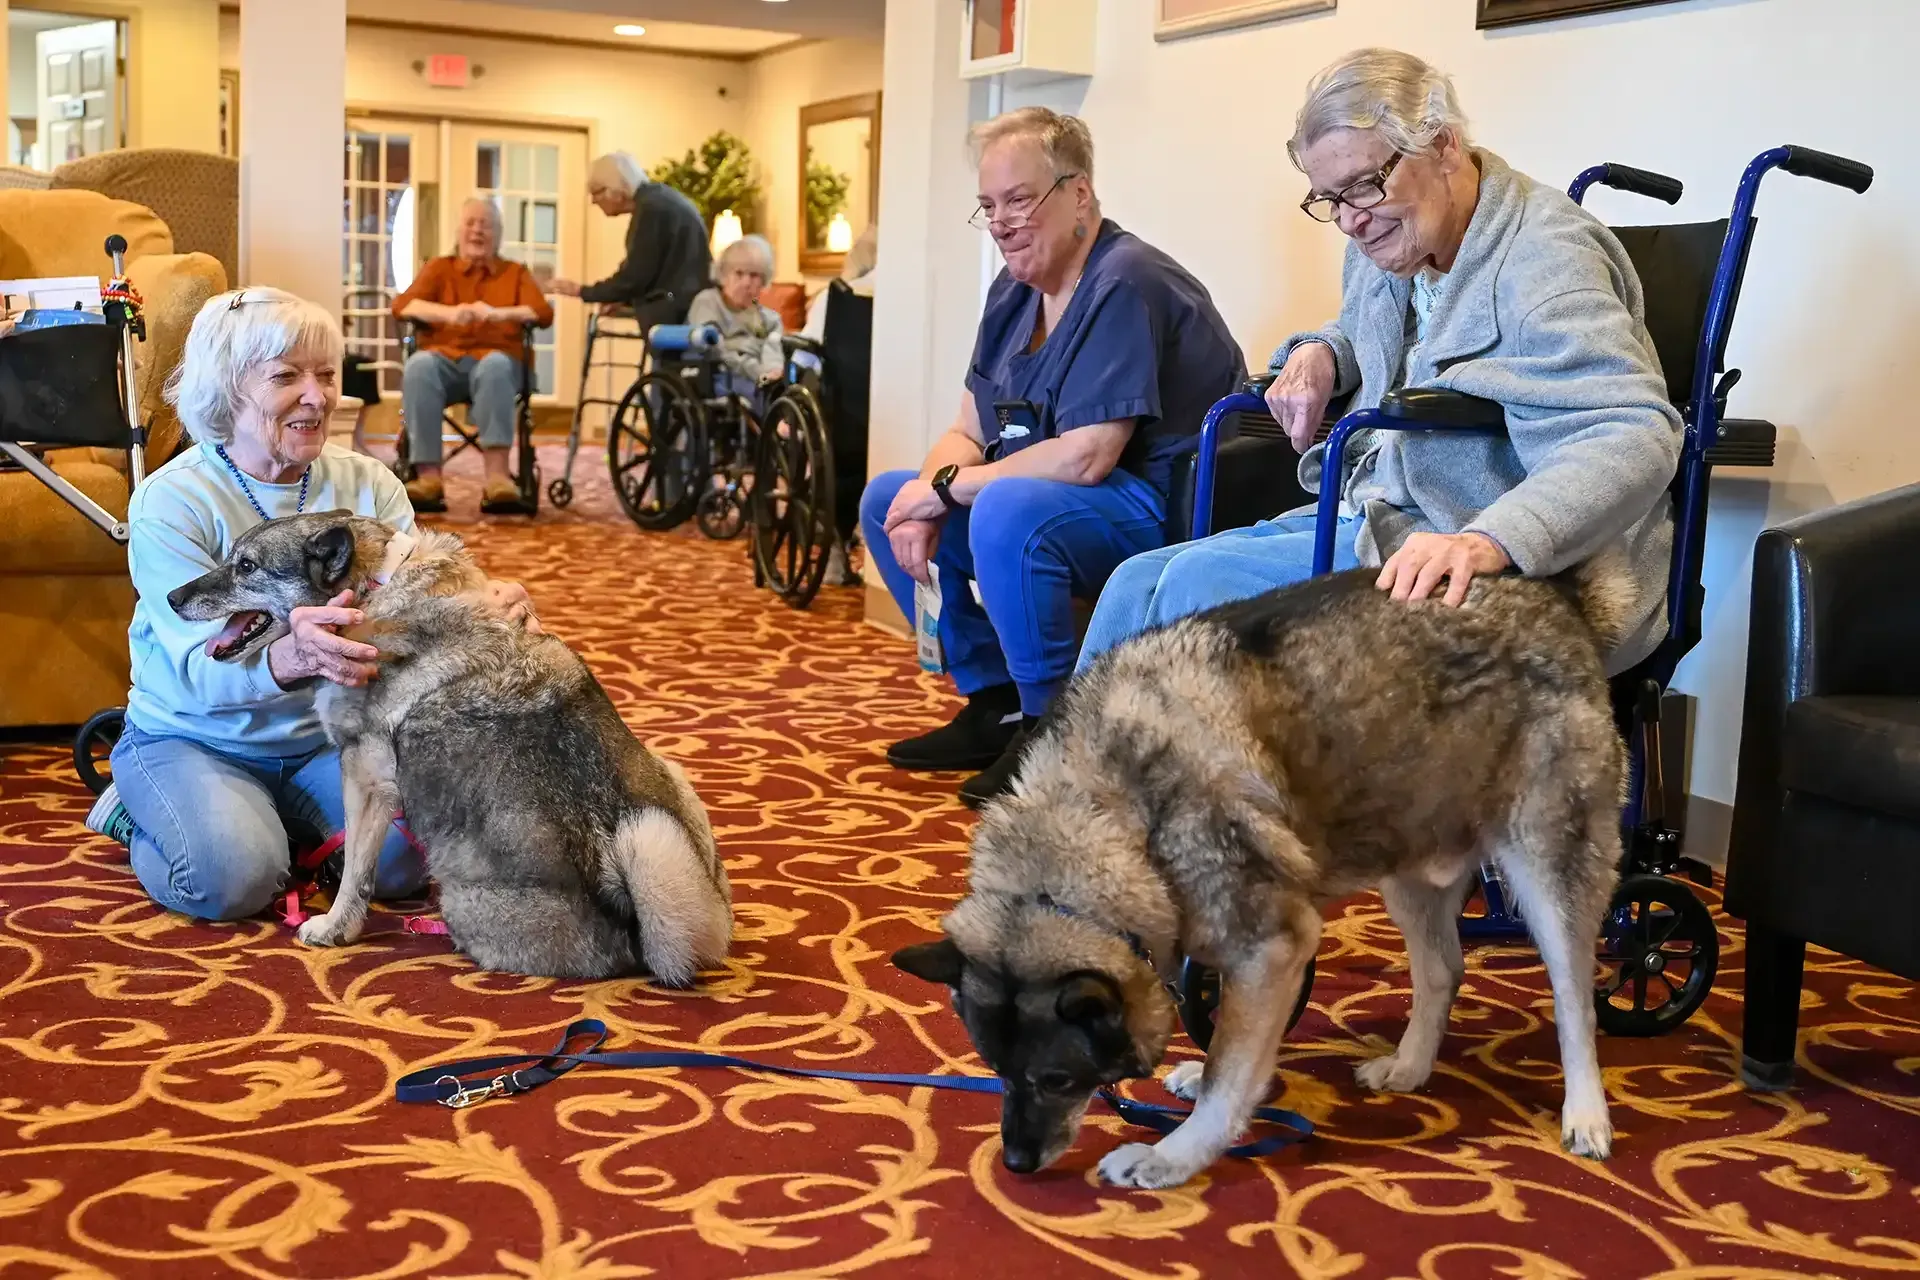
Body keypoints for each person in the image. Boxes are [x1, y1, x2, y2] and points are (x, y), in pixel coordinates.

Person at [1078, 47, 1682, 677]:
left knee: (1198, 585)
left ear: (1443, 146)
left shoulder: (1546, 261)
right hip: (1382, 511)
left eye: (1364, 186)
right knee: (1135, 581)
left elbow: (1630, 431)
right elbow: (1379, 328)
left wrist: (1492, 539)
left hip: (1493, 542)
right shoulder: (1399, 239)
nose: (1350, 220)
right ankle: (1072, 741)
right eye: (1331, 199)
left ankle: (1156, 744)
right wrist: (1321, 352)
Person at [83, 287, 538, 923]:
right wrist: (293, 657)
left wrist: (488, 610)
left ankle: (274, 824)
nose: (317, 396)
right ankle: (140, 812)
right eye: (286, 377)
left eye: (326, 375)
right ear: (228, 388)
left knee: (403, 867)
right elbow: (194, 666)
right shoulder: (172, 500)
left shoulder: (369, 484)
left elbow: (416, 610)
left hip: (328, 739)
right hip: (196, 736)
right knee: (232, 881)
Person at [860, 107, 1245, 808]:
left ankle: (1054, 729)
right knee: (888, 497)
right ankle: (994, 703)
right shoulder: (1014, 291)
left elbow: (1088, 457)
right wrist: (925, 493)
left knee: (1003, 506)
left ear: (1079, 194)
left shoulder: (1124, 280)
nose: (1002, 223)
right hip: (1071, 501)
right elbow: (968, 427)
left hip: (1165, 505)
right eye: (988, 206)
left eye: (1018, 200)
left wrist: (945, 490)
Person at [390, 197, 554, 514]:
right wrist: (449, 315)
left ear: (498, 234)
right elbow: (402, 306)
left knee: (494, 366)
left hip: (500, 365)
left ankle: (498, 478)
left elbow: (542, 313)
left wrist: (495, 314)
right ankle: (428, 478)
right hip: (444, 362)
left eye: (486, 225)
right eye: (471, 223)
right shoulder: (439, 268)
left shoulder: (514, 273)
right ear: (459, 231)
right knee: (419, 365)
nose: (477, 230)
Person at [549, 152, 711, 329]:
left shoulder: (651, 210)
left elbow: (634, 277)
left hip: (675, 321)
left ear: (614, 188)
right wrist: (623, 298)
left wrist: (582, 291)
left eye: (595, 192)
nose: (593, 201)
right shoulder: (659, 199)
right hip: (686, 310)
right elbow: (654, 270)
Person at [684, 234, 785, 405]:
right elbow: (717, 350)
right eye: (739, 273)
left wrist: (772, 372)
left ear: (763, 281)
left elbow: (774, 352)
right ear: (723, 275)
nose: (746, 283)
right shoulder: (707, 302)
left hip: (760, 381)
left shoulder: (769, 318)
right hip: (721, 377)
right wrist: (758, 372)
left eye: (754, 275)